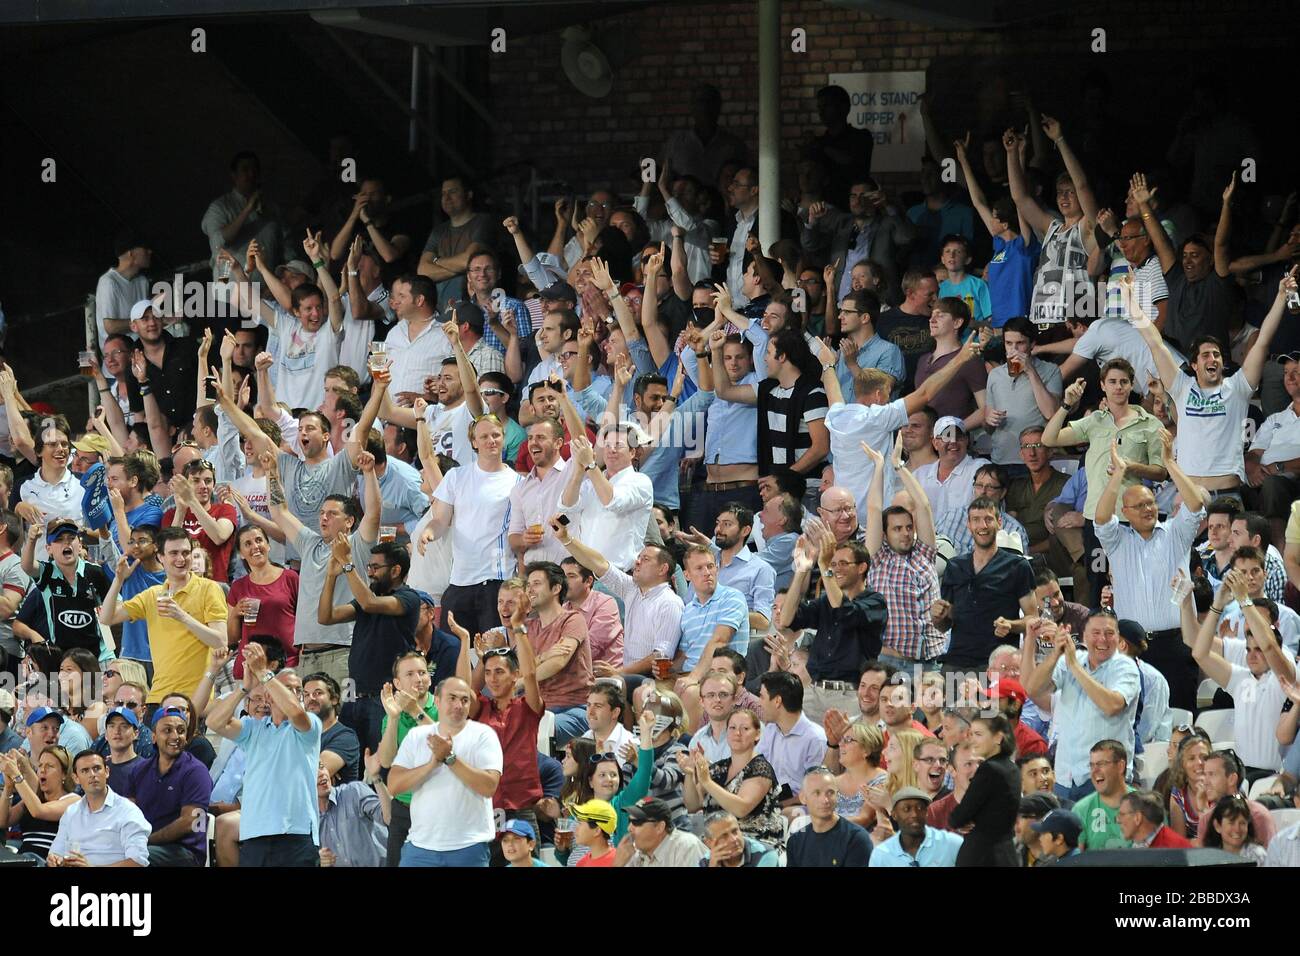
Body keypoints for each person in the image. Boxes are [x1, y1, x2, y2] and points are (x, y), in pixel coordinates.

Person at [1137, 268, 1293, 500]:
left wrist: (1281, 296)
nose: (1213, 359)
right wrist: (1131, 302)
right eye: (1206, 355)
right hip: (1188, 499)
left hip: (1227, 497)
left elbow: (1262, 341)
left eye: (1217, 355)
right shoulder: (1181, 387)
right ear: (1193, 365)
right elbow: (1154, 342)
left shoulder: (1237, 388)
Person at [1094, 426, 1206, 711]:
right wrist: (1118, 475)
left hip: (1176, 642)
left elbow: (1195, 505)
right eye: (1140, 505)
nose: (1148, 509)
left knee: (1181, 717)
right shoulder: (1117, 541)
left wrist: (1169, 463)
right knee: (1134, 720)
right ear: (1126, 511)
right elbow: (1101, 518)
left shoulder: (1174, 534)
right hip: (1131, 646)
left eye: (1151, 503)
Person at [207, 642, 322, 866]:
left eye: (298, 690)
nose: (296, 694)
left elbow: (297, 713)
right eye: (288, 688)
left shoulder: (310, 725)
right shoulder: (253, 728)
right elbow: (214, 721)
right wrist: (244, 688)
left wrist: (263, 673)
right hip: (255, 834)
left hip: (295, 834)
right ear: (269, 696)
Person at [98, 528, 229, 705]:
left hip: (193, 699)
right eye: (173, 553)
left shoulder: (209, 589)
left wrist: (182, 616)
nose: (181, 559)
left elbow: (221, 642)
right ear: (161, 557)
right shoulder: (153, 595)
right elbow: (106, 618)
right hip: (157, 696)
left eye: (185, 553)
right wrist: (118, 580)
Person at [317, 537, 421, 755]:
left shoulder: (409, 598)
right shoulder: (368, 599)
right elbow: (326, 617)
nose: (371, 572)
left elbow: (369, 603)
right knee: (351, 762)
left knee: (379, 766)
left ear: (395, 571)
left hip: (384, 699)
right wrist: (331, 576)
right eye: (369, 567)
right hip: (353, 695)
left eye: (375, 567)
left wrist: (347, 563)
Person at [421, 414, 522, 637]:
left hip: (497, 581)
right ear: (474, 442)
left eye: (496, 435)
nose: (491, 440)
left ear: (503, 438)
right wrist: (428, 532)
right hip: (459, 580)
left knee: (495, 654)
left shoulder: (517, 482)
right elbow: (440, 521)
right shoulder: (456, 476)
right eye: (484, 436)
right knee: (457, 654)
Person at [452, 602, 545, 838]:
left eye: (500, 672)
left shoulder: (528, 708)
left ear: (515, 675)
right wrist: (464, 642)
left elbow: (532, 673)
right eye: (488, 673)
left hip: (521, 808)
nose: (492, 679)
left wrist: (518, 627)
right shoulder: (481, 708)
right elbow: (462, 689)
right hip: (485, 807)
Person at [389, 676, 502, 867]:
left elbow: (489, 786)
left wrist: (450, 759)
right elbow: (394, 785)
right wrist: (431, 765)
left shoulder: (484, 735)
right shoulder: (416, 736)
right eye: (452, 698)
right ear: (437, 701)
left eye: (464, 700)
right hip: (420, 847)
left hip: (469, 846)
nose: (459, 705)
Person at [552, 518, 683, 683]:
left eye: (646, 559)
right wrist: (566, 539)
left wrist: (619, 672)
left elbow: (661, 656)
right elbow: (598, 563)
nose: (637, 561)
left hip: (651, 679)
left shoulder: (670, 602)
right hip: (626, 675)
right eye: (639, 557)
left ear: (662, 569)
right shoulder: (633, 589)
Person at [779, 532, 887, 722]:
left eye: (843, 563)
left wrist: (824, 566)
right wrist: (802, 570)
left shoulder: (875, 602)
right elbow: (786, 619)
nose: (836, 569)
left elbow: (844, 611)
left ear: (862, 567)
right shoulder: (825, 601)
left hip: (850, 696)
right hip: (814, 691)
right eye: (834, 564)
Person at [1193, 569, 1292, 776]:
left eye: (1258, 650)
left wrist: (1244, 599)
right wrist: (1218, 604)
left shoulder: (1285, 674)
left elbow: (1270, 647)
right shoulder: (1240, 678)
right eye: (1248, 649)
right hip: (1241, 775)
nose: (1251, 655)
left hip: (1274, 776)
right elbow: (1200, 653)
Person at [931, 496, 1038, 673]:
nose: (983, 525)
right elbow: (945, 625)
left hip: (998, 663)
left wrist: (1010, 625)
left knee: (996, 702)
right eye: (976, 520)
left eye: (988, 519)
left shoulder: (1018, 566)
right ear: (968, 524)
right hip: (957, 661)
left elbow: (1033, 619)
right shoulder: (954, 566)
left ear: (999, 522)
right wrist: (938, 617)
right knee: (948, 700)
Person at [120, 706, 213, 866]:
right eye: (167, 730)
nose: (175, 736)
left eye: (181, 730)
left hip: (184, 852)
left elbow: (191, 822)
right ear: (154, 736)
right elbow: (126, 812)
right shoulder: (140, 770)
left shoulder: (196, 771)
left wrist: (146, 841)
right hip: (145, 846)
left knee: (133, 860)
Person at [681, 708, 781, 847]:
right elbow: (692, 805)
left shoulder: (761, 768)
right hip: (714, 842)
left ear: (757, 734)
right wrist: (690, 772)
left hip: (754, 844)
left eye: (745, 728)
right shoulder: (719, 767)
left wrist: (707, 782)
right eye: (732, 728)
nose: (737, 733)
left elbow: (741, 808)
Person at [376, 651, 437, 866]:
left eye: (422, 673)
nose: (418, 679)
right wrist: (393, 718)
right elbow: (385, 761)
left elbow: (445, 745)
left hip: (437, 806)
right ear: (397, 683)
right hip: (403, 807)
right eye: (410, 674)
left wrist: (415, 711)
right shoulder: (392, 713)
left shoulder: (442, 705)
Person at [43, 750, 150, 868]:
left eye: (97, 768)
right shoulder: (71, 812)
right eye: (85, 771)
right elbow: (56, 852)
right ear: (76, 778)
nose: (92, 774)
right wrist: (54, 860)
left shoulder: (128, 811)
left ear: (107, 772)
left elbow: (138, 862)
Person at [947, 713, 1019, 867]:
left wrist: (968, 819)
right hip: (1007, 855)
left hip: (983, 857)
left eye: (978, 734)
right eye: (971, 734)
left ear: (998, 738)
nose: (972, 740)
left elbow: (957, 817)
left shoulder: (989, 769)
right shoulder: (1012, 768)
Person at [0, 745, 81, 863]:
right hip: (23, 859)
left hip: (48, 860)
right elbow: (3, 821)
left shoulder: (73, 800)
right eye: (40, 765)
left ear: (64, 774)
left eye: (50, 766)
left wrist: (16, 775)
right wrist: (8, 786)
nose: (42, 770)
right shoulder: (35, 800)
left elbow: (39, 811)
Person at [755, 671, 828, 800]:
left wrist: (778, 806)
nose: (758, 703)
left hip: (800, 809)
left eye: (762, 697)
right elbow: (756, 769)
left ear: (777, 701)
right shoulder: (771, 729)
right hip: (768, 800)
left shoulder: (815, 739)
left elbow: (816, 790)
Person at [786, 766, 873, 867]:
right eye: (817, 793)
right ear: (803, 798)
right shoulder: (796, 842)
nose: (825, 800)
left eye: (830, 793)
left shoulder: (856, 838)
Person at [1197, 750, 1277, 847]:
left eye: (1212, 774)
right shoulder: (1207, 818)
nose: (1205, 782)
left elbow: (1270, 859)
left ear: (1232, 779)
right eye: (1205, 775)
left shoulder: (1258, 816)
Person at [317, 762, 389, 868]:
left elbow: (389, 817)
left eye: (321, 767)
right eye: (313, 771)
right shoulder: (307, 822)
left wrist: (376, 777)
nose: (321, 774)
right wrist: (320, 861)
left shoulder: (354, 791)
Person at [869, 786, 964, 866]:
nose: (914, 814)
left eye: (920, 808)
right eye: (906, 809)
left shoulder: (952, 844)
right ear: (894, 815)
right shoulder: (881, 854)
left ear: (927, 812)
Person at [618, 796, 708, 868]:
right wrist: (618, 864)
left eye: (636, 822)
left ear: (659, 827)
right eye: (630, 821)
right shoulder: (635, 852)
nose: (629, 828)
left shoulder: (686, 846)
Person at [927, 739, 983, 831]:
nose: (977, 769)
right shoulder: (935, 813)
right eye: (968, 764)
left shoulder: (998, 807)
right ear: (952, 770)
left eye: (981, 763)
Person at [1166, 733, 1211, 840]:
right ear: (1182, 764)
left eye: (1204, 757)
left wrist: (1204, 807)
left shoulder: (1221, 787)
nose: (1199, 762)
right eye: (1191, 758)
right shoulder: (1178, 793)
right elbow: (1179, 842)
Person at [698, 809, 780, 867]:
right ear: (709, 843)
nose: (734, 839)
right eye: (724, 836)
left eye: (735, 831)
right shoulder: (706, 862)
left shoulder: (765, 854)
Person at [1202, 794, 1269, 863]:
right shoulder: (1209, 857)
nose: (1237, 829)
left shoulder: (1257, 855)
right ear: (1217, 826)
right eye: (1231, 822)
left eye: (1242, 823)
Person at [1118, 789, 1193, 849]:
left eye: (1122, 815)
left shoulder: (1172, 849)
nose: (1118, 820)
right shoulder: (1140, 845)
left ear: (1137, 818)